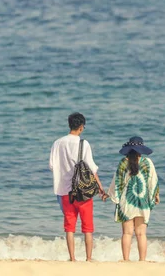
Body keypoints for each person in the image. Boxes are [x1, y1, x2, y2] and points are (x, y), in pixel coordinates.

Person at [49, 112, 106, 261]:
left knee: (69, 227)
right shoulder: (83, 144)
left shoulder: (57, 143)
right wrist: (100, 187)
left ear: (70, 125)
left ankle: (72, 258)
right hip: (83, 191)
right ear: (81, 127)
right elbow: (91, 168)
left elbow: (51, 166)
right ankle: (88, 258)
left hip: (64, 191)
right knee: (87, 228)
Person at [106, 136, 159, 261]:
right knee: (141, 234)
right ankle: (142, 260)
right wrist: (155, 195)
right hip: (143, 202)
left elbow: (117, 183)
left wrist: (111, 196)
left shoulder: (123, 162)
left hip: (127, 202)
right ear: (141, 149)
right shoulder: (147, 163)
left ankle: (126, 260)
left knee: (127, 233)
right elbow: (153, 181)